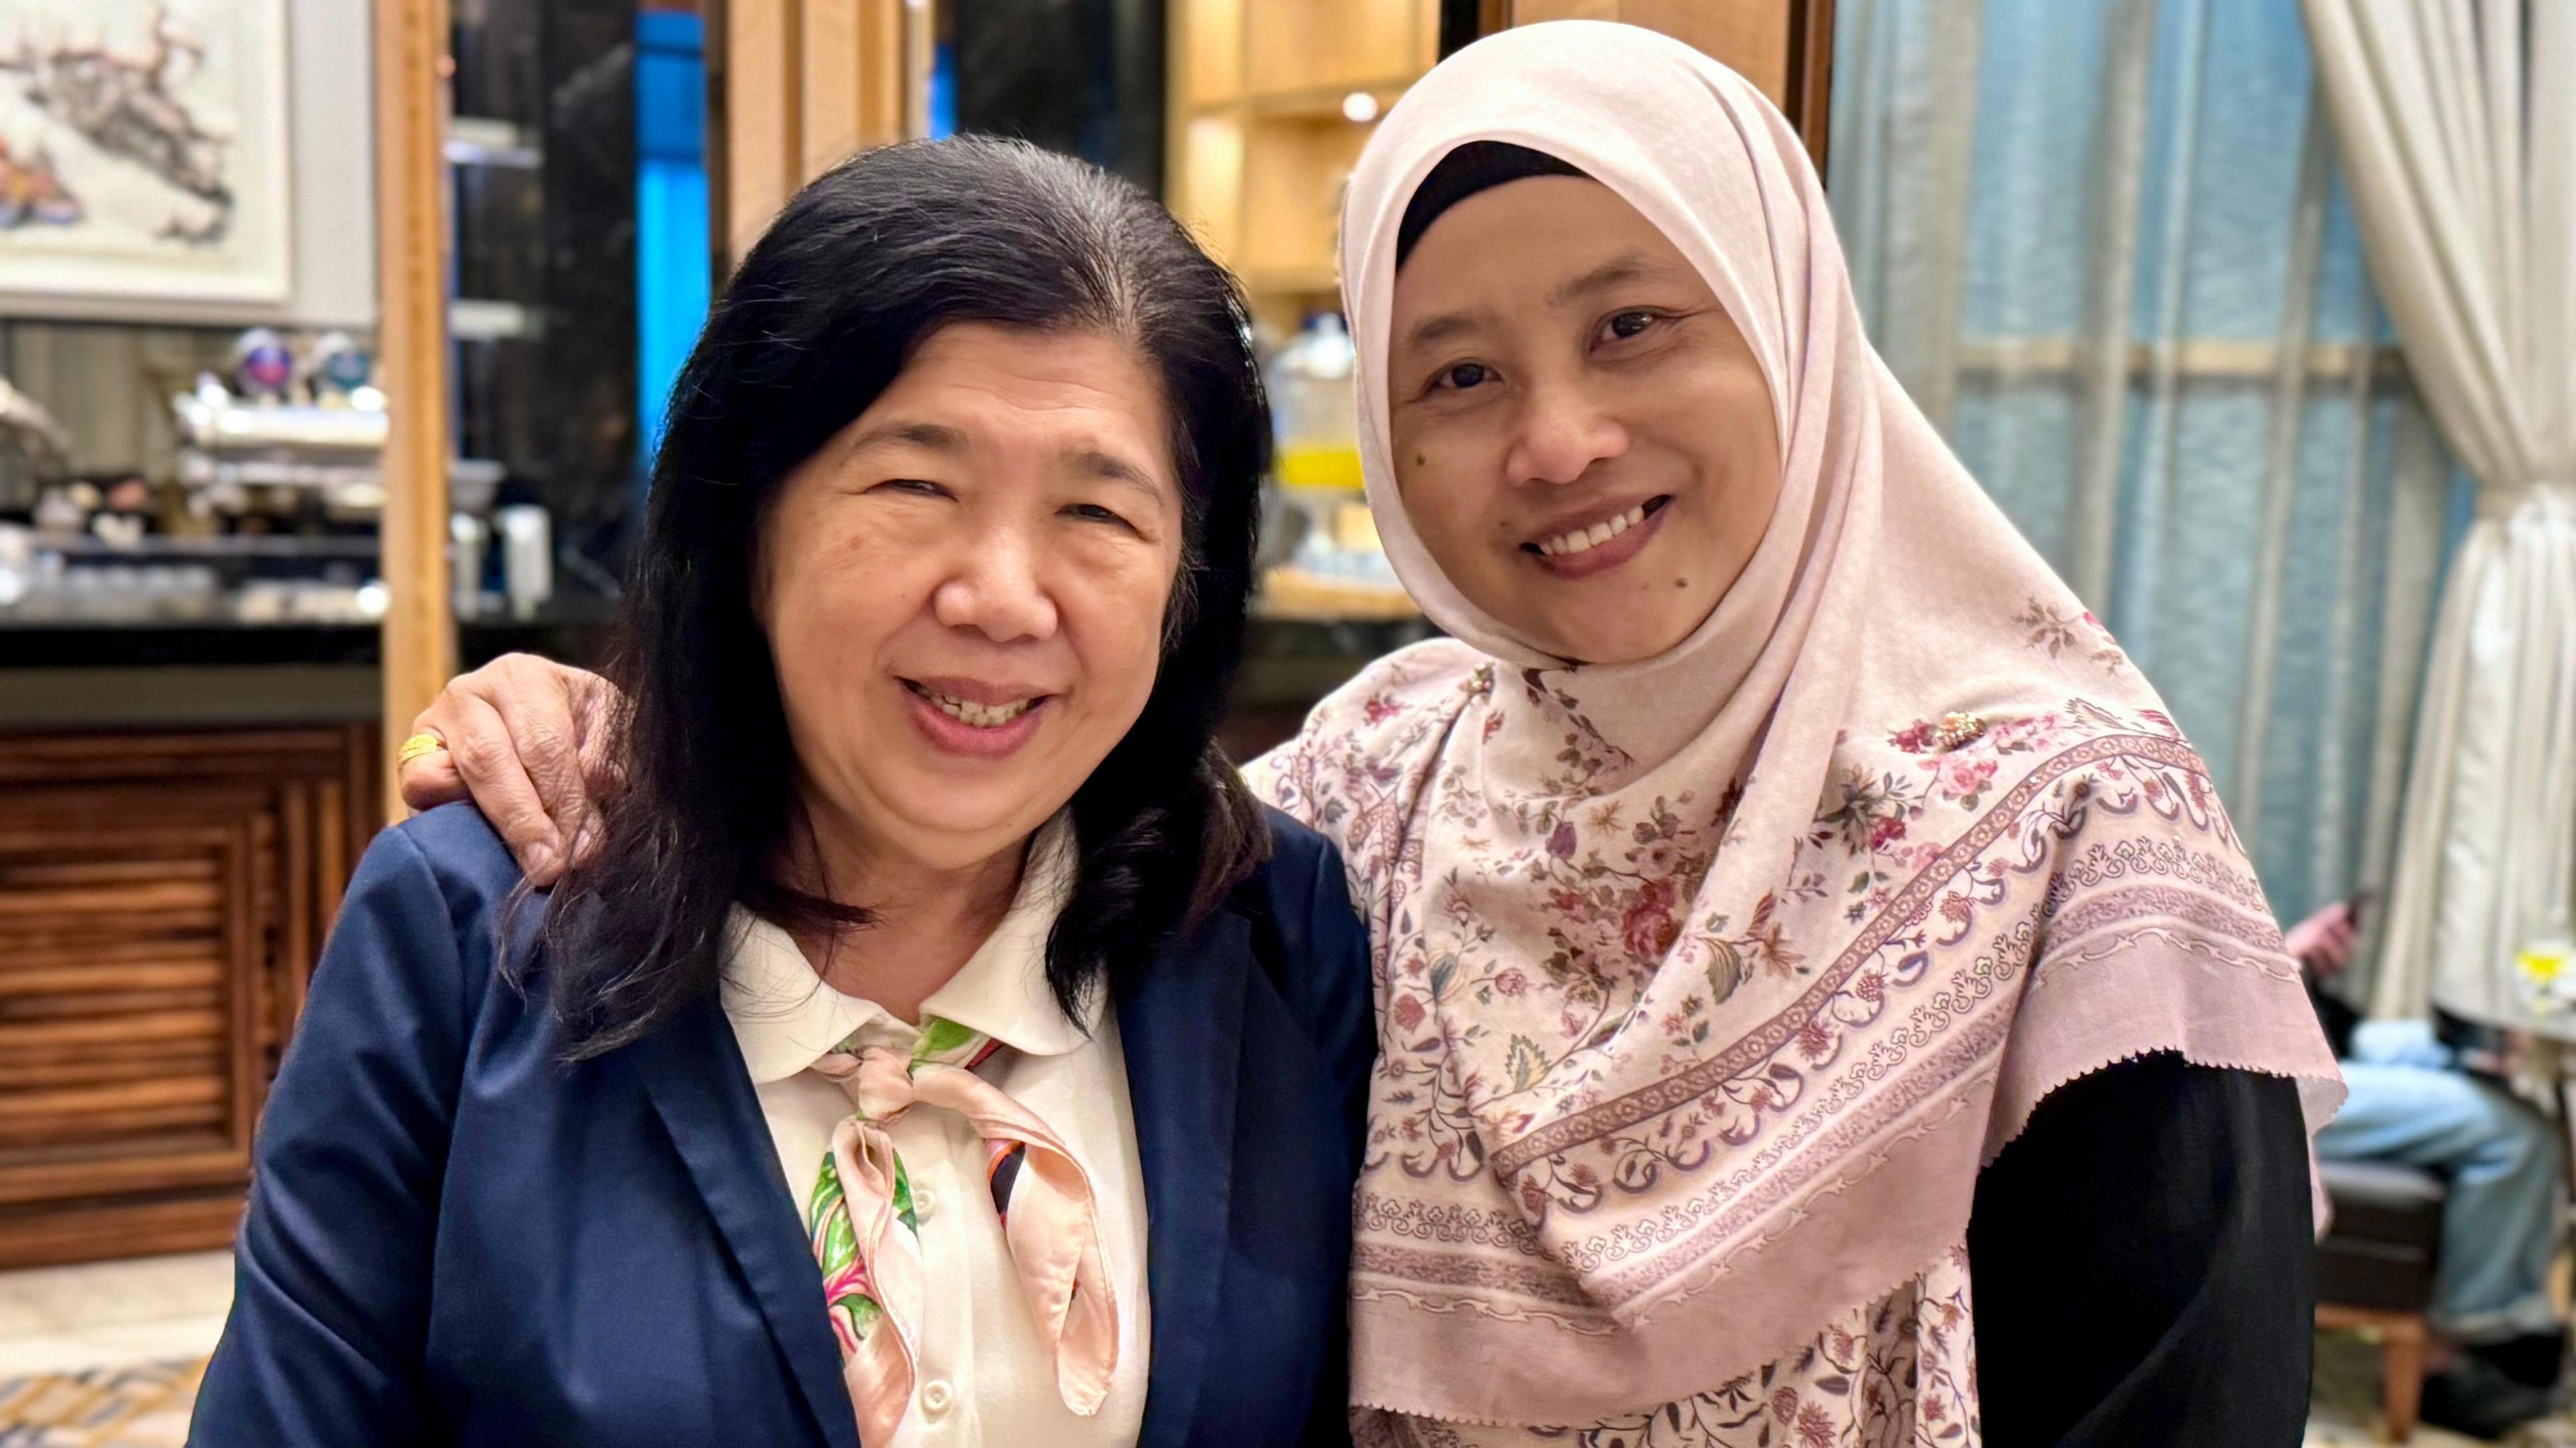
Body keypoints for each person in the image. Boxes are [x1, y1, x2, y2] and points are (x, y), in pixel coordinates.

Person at [401, 25, 2346, 1447]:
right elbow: (977, 823)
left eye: (1640, 325)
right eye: (1461, 370)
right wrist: (627, 719)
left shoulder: (2070, 848)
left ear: (1801, 335)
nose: (1557, 438)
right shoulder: (1377, 786)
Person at [192, 138, 1374, 1448]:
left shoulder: (1275, 924)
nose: (1000, 595)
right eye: (918, 484)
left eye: (1098, 513)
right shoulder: (476, 930)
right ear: (745, 522)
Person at [2294, 899, 2567, 1439]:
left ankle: (2514, 1312)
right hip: (2279, 1073)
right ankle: (2468, 1340)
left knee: (2468, 1053)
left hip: (2312, 1032)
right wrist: (2286, 961)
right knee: (2514, 1131)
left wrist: (2301, 965)